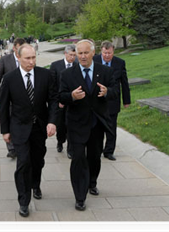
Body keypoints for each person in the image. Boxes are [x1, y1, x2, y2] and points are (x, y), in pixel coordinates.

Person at [0, 44, 57, 217]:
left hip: (40, 127)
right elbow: (3, 106)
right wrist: (5, 130)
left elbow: (53, 100)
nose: (31, 61)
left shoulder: (46, 75)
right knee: (23, 162)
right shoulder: (10, 79)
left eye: (33, 58)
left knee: (37, 160)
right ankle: (24, 200)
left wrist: (52, 122)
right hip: (19, 127)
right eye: (27, 58)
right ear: (18, 57)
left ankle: (35, 184)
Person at [59, 39, 117, 212]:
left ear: (93, 53)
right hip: (76, 124)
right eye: (80, 53)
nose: (83, 56)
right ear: (76, 54)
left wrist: (107, 92)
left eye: (86, 53)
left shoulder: (105, 71)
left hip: (96, 124)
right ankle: (80, 196)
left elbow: (115, 91)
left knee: (94, 157)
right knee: (77, 159)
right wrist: (71, 96)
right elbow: (60, 96)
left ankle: (92, 182)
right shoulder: (67, 74)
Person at [93, 41, 131, 161]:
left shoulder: (119, 63)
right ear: (101, 51)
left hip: (113, 100)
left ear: (113, 52)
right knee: (97, 128)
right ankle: (96, 150)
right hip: (97, 100)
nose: (107, 55)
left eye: (109, 53)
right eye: (105, 53)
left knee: (111, 127)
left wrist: (126, 100)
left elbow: (124, 83)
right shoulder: (94, 61)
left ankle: (109, 151)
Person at [0, 38, 26, 159]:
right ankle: (11, 148)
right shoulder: (5, 60)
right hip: (7, 97)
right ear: (14, 48)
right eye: (19, 48)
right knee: (8, 120)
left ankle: (21, 144)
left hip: (24, 97)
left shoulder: (27, 59)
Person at [49, 44, 77, 158]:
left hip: (73, 101)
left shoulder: (77, 65)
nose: (72, 57)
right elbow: (52, 86)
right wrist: (58, 101)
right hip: (60, 102)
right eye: (70, 55)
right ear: (65, 54)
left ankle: (71, 149)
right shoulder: (55, 66)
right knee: (61, 126)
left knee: (71, 126)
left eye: (74, 55)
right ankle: (60, 141)